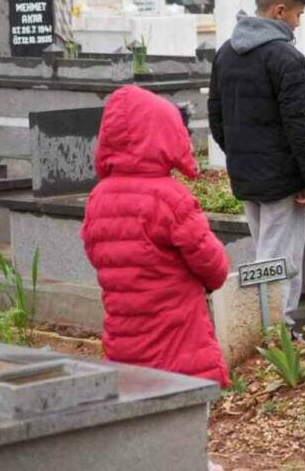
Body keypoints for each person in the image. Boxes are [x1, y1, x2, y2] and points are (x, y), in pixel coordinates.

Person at [82, 85, 230, 387]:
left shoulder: (98, 198)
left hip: (125, 343)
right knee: (184, 424)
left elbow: (96, 253)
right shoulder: (170, 199)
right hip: (178, 345)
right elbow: (215, 269)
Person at [208, 0, 305, 323]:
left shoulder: (226, 54)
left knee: (267, 252)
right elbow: (301, 127)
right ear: (278, 11)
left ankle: (266, 325)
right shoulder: (287, 59)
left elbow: (217, 118)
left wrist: (240, 156)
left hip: (247, 173)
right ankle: (276, 328)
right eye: (297, 15)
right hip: (282, 180)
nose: (298, 24)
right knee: (281, 261)